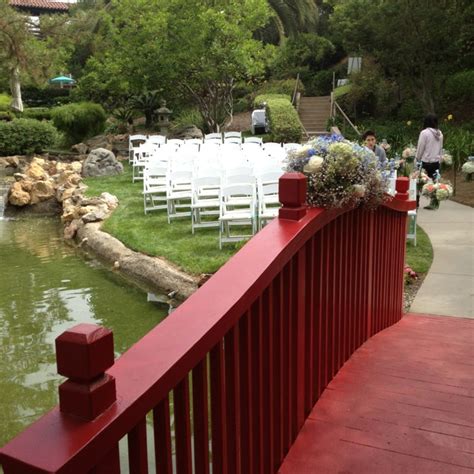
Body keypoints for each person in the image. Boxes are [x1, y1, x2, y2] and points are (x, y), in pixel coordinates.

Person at [415, 114, 443, 180]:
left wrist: (417, 159)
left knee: (424, 184)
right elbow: (440, 148)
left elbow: (420, 148)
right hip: (436, 163)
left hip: (426, 164)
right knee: (435, 184)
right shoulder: (440, 133)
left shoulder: (424, 133)